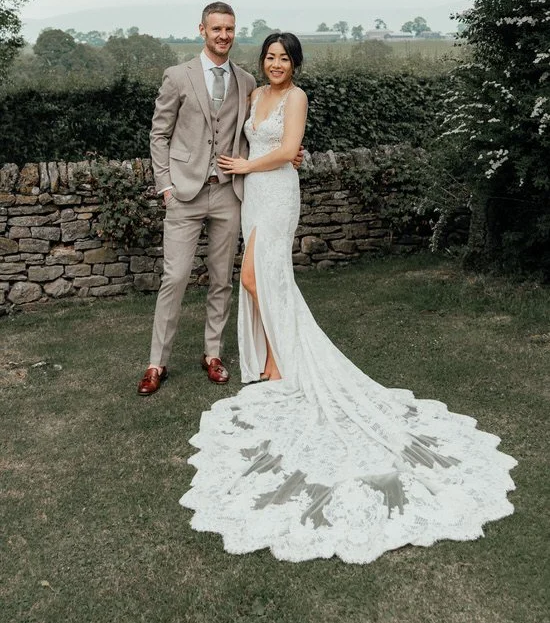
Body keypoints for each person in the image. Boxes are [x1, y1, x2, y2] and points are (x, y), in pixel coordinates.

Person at [179, 32, 517, 564]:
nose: (274, 64)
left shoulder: (297, 98)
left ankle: (278, 361)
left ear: (295, 64)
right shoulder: (253, 95)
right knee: (259, 279)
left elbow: (288, 150)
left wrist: (246, 167)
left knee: (259, 279)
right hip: (254, 198)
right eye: (268, 56)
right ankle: (273, 360)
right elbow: (255, 137)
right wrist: (243, 164)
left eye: (283, 58)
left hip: (277, 194)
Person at [137, 2, 258, 394]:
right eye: (217, 28)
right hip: (185, 193)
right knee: (174, 277)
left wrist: (288, 152)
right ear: (202, 30)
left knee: (222, 278)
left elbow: (257, 132)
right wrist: (165, 186)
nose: (224, 35)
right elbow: (159, 134)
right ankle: (157, 363)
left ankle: (212, 353)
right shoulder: (177, 76)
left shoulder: (246, 81)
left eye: (230, 29)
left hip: (228, 193)